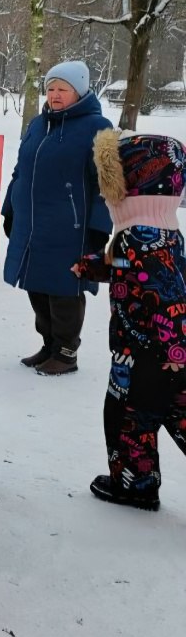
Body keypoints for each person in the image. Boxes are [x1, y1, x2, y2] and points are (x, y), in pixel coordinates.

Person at [76, 131, 186, 512]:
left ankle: (136, 484)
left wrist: (173, 347)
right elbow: (134, 272)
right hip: (162, 352)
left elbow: (169, 293)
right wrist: (96, 266)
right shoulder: (161, 229)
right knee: (173, 412)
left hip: (145, 352)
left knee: (128, 419)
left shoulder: (137, 234)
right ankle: (137, 480)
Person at [2, 61, 112, 375]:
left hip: (71, 229)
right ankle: (49, 344)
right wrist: (10, 208)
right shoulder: (39, 124)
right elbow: (20, 171)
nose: (54, 95)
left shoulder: (98, 127)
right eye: (50, 89)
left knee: (65, 288)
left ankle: (66, 353)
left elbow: (107, 181)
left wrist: (99, 229)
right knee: (36, 284)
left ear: (79, 91)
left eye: (62, 89)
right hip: (33, 225)